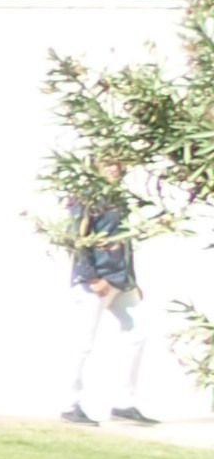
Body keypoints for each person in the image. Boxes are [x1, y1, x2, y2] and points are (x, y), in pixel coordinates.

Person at [61, 164, 152, 426]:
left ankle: (124, 403)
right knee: (83, 343)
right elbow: (76, 239)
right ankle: (69, 403)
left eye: (119, 164)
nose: (115, 169)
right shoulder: (86, 197)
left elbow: (124, 242)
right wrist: (91, 276)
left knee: (137, 334)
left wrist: (132, 279)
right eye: (109, 163)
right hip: (95, 280)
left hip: (119, 280)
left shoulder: (118, 198)